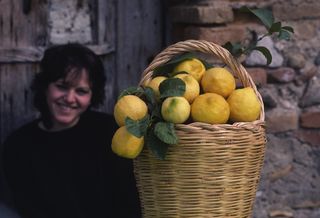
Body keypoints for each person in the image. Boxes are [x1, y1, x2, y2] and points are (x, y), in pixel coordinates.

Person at [1, 43, 141, 218]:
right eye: (62, 86)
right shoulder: (18, 146)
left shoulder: (111, 134)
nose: (69, 98)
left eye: (81, 91)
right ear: (45, 86)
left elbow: (129, 204)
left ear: (92, 96)